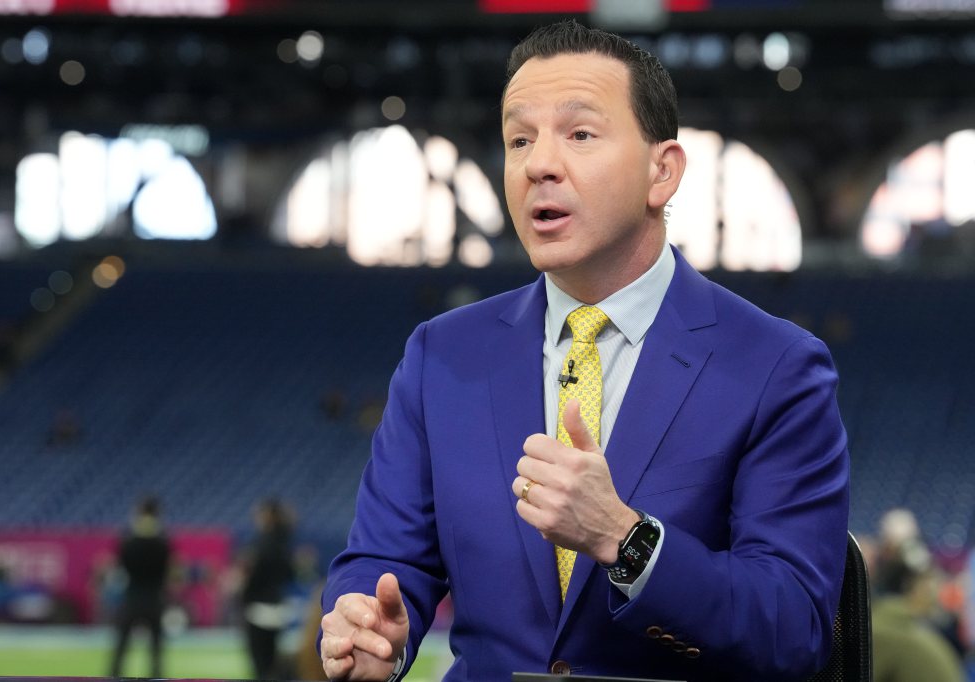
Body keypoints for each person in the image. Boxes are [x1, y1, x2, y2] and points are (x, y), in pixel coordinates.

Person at [319, 20, 849, 682]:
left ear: (663, 173)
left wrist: (624, 541)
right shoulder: (441, 357)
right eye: (519, 139)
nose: (539, 163)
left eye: (579, 134)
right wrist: (370, 630)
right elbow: (382, 561)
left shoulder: (776, 368)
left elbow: (793, 631)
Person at [872, 540, 965, 682]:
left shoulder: (886, 623)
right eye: (928, 585)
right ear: (912, 588)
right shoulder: (888, 629)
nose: (935, 594)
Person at [109, 495, 172, 678]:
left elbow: (120, 568)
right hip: (155, 598)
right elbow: (170, 571)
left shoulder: (128, 541)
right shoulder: (163, 543)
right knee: (156, 651)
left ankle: (113, 678)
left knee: (121, 649)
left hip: (133, 596)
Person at [240, 498, 297, 679]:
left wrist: (242, 595)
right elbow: (290, 574)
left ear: (267, 516)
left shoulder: (261, 544)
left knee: (261, 668)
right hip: (277, 610)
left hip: (258, 611)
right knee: (273, 666)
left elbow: (253, 578)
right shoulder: (284, 542)